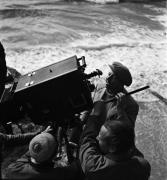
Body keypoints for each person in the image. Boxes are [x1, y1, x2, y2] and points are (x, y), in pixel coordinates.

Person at [79, 101, 151, 180]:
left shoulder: (94, 166)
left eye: (100, 138)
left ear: (112, 148)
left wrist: (95, 115)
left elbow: (86, 140)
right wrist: (121, 113)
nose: (96, 138)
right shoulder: (143, 166)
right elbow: (127, 137)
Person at [5, 131, 84, 180]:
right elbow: (79, 166)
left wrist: (41, 137)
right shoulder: (60, 175)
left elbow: (31, 152)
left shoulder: (12, 169)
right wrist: (77, 150)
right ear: (54, 156)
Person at [93, 62, 139, 128]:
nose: (108, 79)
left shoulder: (131, 105)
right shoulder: (99, 86)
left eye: (114, 78)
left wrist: (121, 110)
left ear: (121, 83)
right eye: (109, 74)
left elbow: (127, 130)